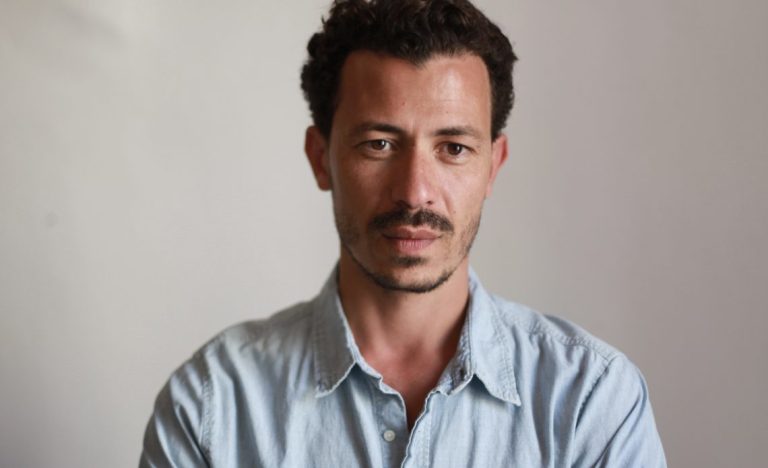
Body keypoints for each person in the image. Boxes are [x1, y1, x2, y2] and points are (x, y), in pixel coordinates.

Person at [140, 1, 667, 466]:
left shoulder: (591, 401)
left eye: (454, 148)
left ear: (493, 165)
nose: (415, 193)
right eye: (379, 144)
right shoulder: (211, 405)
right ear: (320, 159)